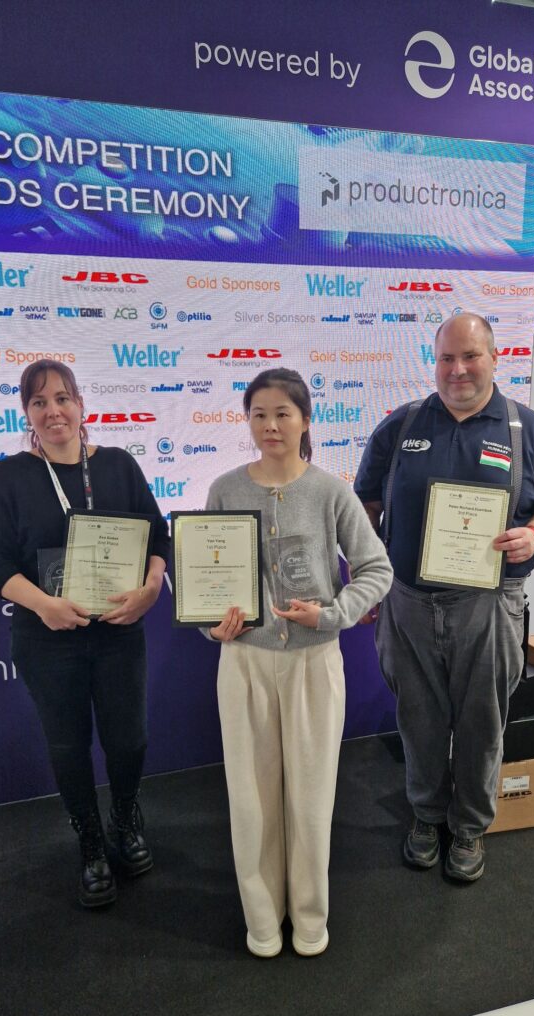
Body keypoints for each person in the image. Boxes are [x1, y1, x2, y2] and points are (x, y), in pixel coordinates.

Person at [354, 312, 534, 883]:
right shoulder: (401, 425)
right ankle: (428, 816)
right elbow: (365, 504)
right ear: (435, 363)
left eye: (471, 356)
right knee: (419, 719)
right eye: (447, 358)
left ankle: (471, 826)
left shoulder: (527, 431)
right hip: (408, 602)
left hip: (489, 606)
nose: (458, 369)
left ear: (494, 359)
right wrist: (369, 571)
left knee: (482, 723)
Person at [202, 368, 392, 956]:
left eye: (282, 413)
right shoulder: (225, 490)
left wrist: (333, 614)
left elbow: (377, 569)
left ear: (306, 419)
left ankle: (310, 920)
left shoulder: (330, 492)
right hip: (245, 664)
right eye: (258, 414)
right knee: (251, 801)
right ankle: (262, 922)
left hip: (313, 663)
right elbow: (208, 580)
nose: (270, 425)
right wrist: (213, 624)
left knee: (310, 800)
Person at [0, 360, 170, 908]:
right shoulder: (9, 476)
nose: (53, 411)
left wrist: (151, 587)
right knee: (68, 745)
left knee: (128, 740)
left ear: (81, 405)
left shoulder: (118, 465)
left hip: (117, 632)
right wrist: (44, 605)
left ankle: (125, 820)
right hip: (47, 638)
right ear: (26, 413)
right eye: (39, 402)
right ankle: (90, 843)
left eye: (62, 398)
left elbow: (158, 536)